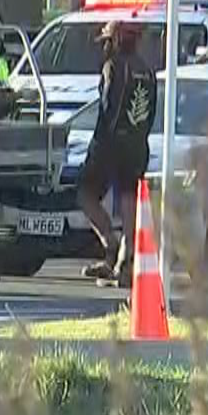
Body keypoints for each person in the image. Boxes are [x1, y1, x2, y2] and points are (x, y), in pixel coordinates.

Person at [78, 21, 155, 286]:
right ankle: (124, 261)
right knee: (129, 202)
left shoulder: (113, 67)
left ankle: (112, 247)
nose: (104, 46)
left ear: (117, 40)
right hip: (137, 145)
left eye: (107, 41)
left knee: (85, 193)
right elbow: (151, 113)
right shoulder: (147, 71)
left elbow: (108, 108)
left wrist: (100, 143)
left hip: (110, 145)